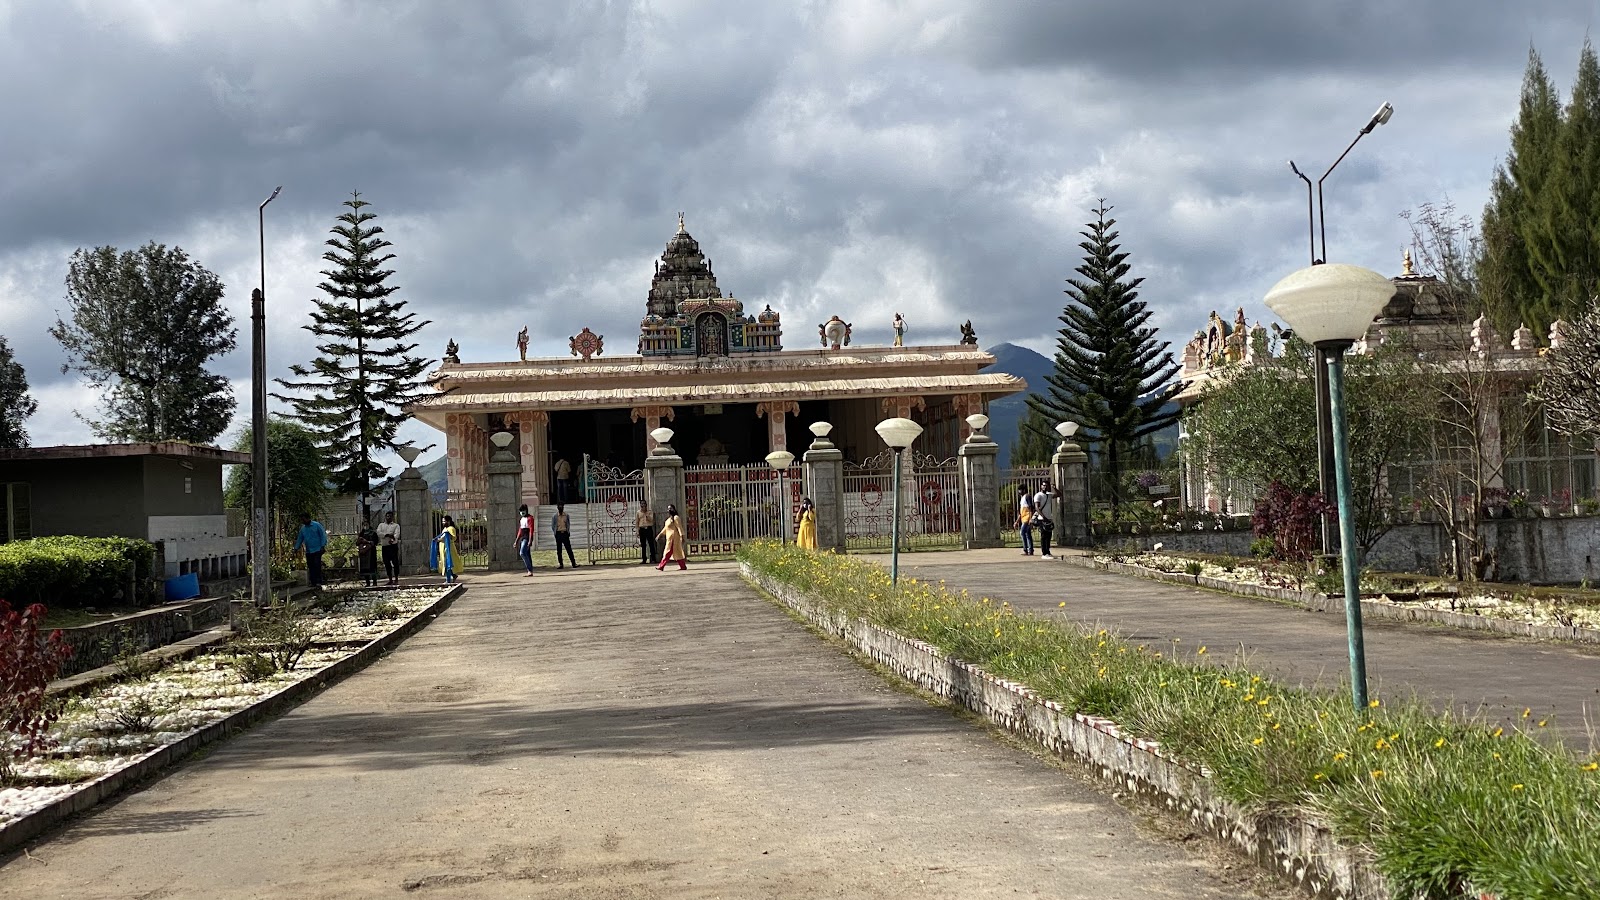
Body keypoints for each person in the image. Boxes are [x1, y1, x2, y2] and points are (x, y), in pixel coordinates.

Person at [291, 513, 329, 588]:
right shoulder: (303, 529)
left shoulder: (316, 525)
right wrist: (296, 548)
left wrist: (322, 546)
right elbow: (300, 539)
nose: (302, 521)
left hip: (317, 549)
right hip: (309, 550)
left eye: (303, 519)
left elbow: (323, 535)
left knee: (317, 565)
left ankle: (318, 581)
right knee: (310, 566)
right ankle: (313, 582)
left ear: (308, 518)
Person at [656, 504, 688, 571]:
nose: (669, 510)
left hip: (674, 539)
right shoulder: (668, 520)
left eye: (671, 508)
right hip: (669, 538)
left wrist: (682, 536)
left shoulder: (676, 518)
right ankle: (683, 566)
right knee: (677, 552)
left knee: (667, 552)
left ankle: (661, 566)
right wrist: (660, 535)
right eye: (668, 509)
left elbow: (680, 528)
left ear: (674, 509)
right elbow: (665, 529)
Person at [431, 515, 459, 585]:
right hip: (443, 548)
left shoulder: (451, 528)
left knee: (448, 564)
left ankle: (448, 580)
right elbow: (442, 536)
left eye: (444, 521)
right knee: (445, 564)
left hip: (449, 549)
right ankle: (453, 575)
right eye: (442, 521)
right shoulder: (445, 529)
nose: (443, 522)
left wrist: (439, 539)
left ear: (448, 521)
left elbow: (452, 537)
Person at [376, 511, 401, 586]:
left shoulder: (396, 525)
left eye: (390, 516)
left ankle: (396, 578)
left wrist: (392, 539)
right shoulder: (381, 525)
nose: (388, 518)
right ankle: (390, 579)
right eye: (387, 516)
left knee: (395, 562)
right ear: (385, 517)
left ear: (392, 517)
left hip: (393, 546)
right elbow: (379, 533)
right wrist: (387, 535)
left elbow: (396, 534)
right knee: (386, 563)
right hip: (385, 546)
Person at [1032, 482, 1055, 560]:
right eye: (1044, 485)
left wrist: (1054, 488)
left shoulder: (1049, 495)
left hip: (1049, 518)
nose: (1045, 487)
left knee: (1049, 536)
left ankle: (1048, 552)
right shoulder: (1038, 495)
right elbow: (1037, 507)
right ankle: (1044, 553)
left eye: (1046, 485)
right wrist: (1043, 517)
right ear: (1041, 486)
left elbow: (1059, 494)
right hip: (1042, 519)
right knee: (1044, 536)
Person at [551, 503, 578, 569]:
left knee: (569, 549)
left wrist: (568, 532)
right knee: (559, 550)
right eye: (559, 506)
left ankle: (573, 563)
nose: (560, 507)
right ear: (557, 507)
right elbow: (553, 525)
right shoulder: (555, 516)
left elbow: (568, 524)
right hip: (558, 533)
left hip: (565, 533)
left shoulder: (566, 515)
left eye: (562, 506)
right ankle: (561, 564)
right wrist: (555, 533)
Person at [356, 519, 380, 588]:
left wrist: (367, 542)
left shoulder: (373, 533)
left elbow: (375, 542)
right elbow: (357, 543)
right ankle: (367, 582)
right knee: (365, 568)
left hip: (371, 552)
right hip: (363, 553)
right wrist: (359, 540)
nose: (365, 526)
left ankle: (374, 582)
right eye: (364, 524)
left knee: (372, 567)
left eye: (366, 524)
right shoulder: (362, 533)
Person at [635, 500, 658, 564]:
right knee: (643, 545)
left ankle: (653, 559)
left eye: (644, 504)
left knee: (651, 544)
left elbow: (652, 520)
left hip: (648, 529)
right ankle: (644, 559)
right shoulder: (638, 512)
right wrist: (637, 531)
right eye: (642, 504)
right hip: (642, 529)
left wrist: (646, 515)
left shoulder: (650, 512)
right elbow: (637, 522)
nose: (643, 505)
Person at [515, 503, 535, 576]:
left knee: (522, 553)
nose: (522, 512)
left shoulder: (530, 518)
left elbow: (531, 530)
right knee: (527, 554)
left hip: (527, 538)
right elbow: (520, 531)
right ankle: (530, 570)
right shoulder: (522, 519)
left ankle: (529, 569)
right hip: (523, 537)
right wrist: (516, 541)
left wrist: (530, 540)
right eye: (520, 511)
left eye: (523, 511)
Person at [1017, 489, 1034, 556]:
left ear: (1023, 490)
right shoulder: (1022, 498)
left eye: (1020, 490)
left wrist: (1030, 518)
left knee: (1022, 532)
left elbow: (1030, 508)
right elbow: (1021, 512)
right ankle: (1030, 550)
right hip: (1023, 518)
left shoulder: (1027, 496)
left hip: (1027, 518)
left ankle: (1025, 549)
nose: (1019, 492)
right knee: (1028, 534)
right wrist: (1017, 521)